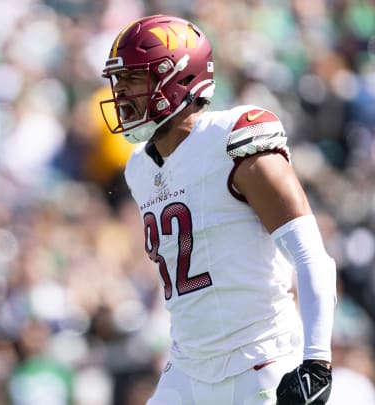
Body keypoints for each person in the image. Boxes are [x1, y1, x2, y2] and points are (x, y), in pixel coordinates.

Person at [100, 14, 337, 405]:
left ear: (175, 79)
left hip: (260, 359)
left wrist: (317, 362)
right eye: (118, 81)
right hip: (187, 368)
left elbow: (311, 255)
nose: (121, 94)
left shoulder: (234, 140)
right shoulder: (138, 168)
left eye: (132, 80)